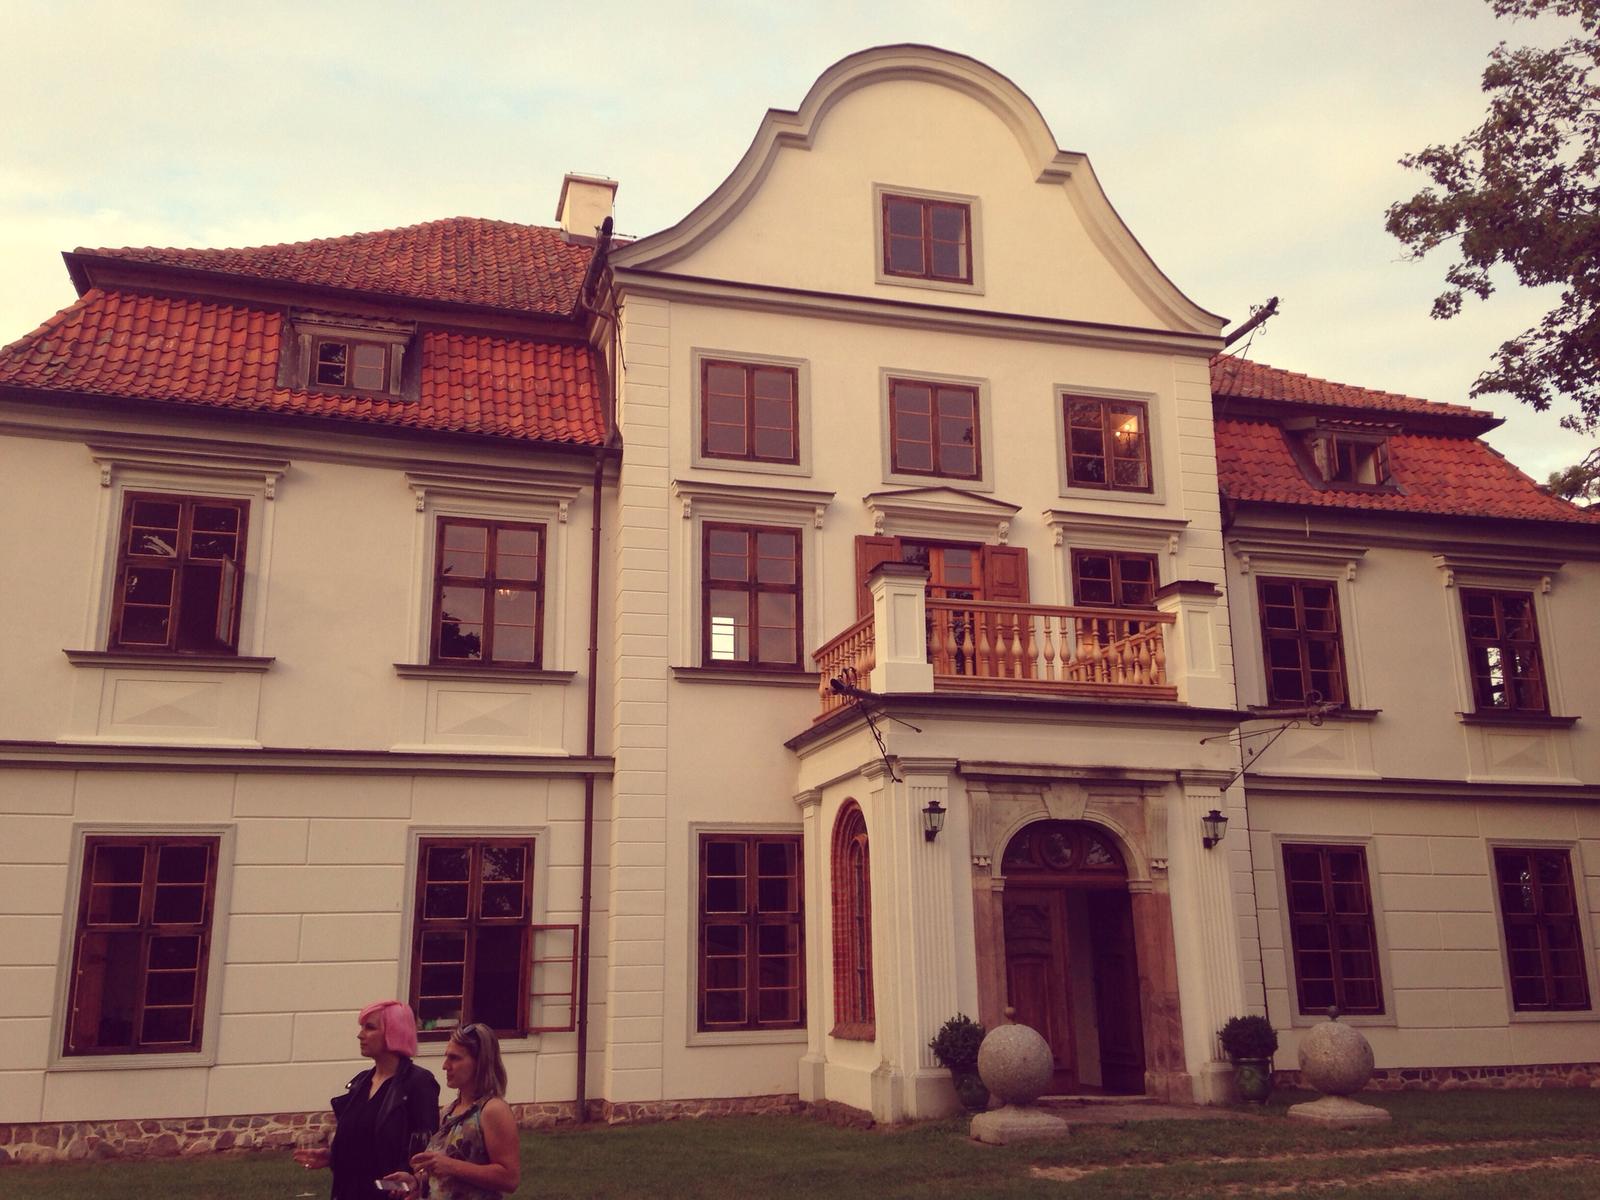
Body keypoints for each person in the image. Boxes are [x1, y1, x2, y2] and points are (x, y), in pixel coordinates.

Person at [294, 999, 440, 1199]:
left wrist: (410, 1182)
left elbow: (426, 1147)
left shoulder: (417, 1083)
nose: (360, 1035)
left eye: (369, 1027)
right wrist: (333, 1157)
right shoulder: (360, 1083)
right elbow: (362, 1144)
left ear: (394, 1031)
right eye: (362, 1027)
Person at [383, 1022, 521, 1199]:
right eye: (446, 1057)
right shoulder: (449, 1111)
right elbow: (443, 1173)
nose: (445, 1065)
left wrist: (451, 1166)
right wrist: (416, 1181)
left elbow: (509, 1179)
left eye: (454, 1058)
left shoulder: (492, 1110)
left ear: (480, 1062)